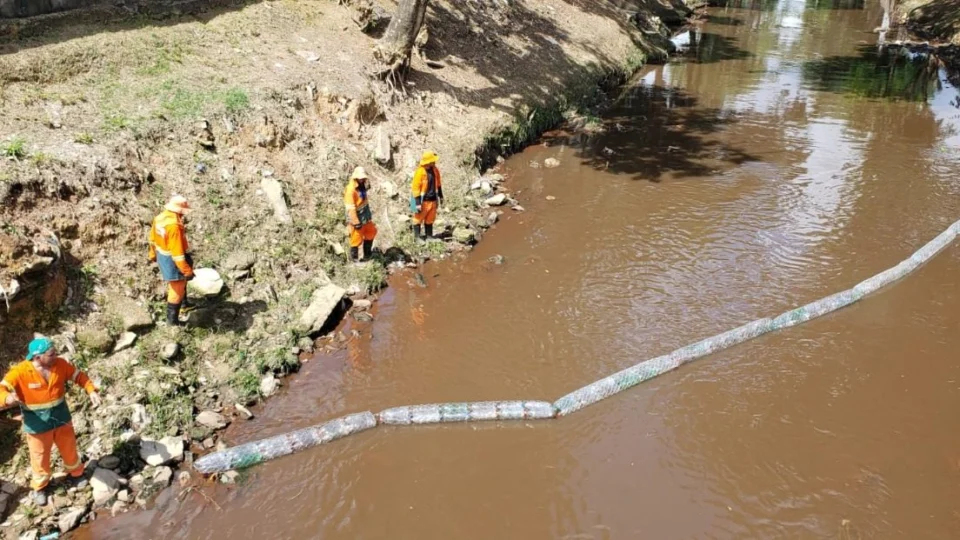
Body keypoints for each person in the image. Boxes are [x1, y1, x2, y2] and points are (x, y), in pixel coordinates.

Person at [0, 337, 101, 506]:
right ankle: (40, 487)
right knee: (39, 456)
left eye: (55, 353)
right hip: (37, 423)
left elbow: (79, 376)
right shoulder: (20, 372)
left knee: (69, 447)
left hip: (61, 417)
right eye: (51, 354)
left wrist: (91, 390)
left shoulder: (60, 365)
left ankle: (76, 474)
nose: (56, 356)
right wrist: (7, 398)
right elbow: (1, 388)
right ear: (37, 357)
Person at [148, 195, 194, 326]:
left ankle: (184, 305)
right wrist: (187, 271)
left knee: (180, 283)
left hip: (161, 254)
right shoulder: (174, 226)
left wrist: (152, 254)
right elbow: (177, 254)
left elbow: (152, 239)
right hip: (172, 259)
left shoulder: (159, 218)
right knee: (177, 288)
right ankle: (172, 322)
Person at [343, 166, 378, 263]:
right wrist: (355, 222)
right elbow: (350, 208)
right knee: (356, 238)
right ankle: (354, 259)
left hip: (365, 216)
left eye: (363, 178)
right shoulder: (350, 190)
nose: (362, 179)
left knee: (371, 231)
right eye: (360, 178)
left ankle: (367, 255)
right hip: (357, 217)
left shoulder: (361, 186)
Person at [411, 151, 444, 240]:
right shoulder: (419, 172)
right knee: (418, 219)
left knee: (430, 219)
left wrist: (441, 196)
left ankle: (429, 236)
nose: (434, 162)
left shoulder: (435, 170)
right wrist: (417, 203)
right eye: (433, 161)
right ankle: (417, 238)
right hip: (422, 200)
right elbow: (415, 188)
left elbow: (438, 184)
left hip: (433, 199)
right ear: (428, 162)